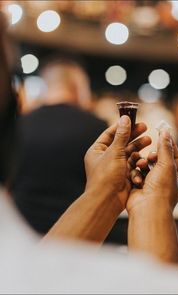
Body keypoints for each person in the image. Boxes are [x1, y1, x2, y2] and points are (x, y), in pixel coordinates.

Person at [0, 16, 178, 293]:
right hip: (91, 256)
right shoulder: (94, 128)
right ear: (79, 89)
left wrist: (107, 191)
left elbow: (33, 276)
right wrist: (151, 206)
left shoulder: (26, 124)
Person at [11, 58, 108, 234]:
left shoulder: (19, 124)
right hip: (78, 234)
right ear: (78, 87)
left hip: (22, 232)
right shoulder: (98, 128)